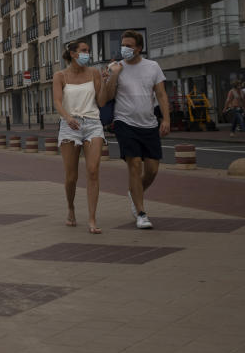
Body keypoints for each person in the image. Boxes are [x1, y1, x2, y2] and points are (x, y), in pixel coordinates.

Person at [100, 29, 170, 230]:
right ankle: (141, 213)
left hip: (149, 123)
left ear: (139, 48)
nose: (125, 49)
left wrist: (166, 119)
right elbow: (108, 97)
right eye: (123, 45)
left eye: (129, 46)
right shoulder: (116, 67)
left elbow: (161, 94)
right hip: (125, 122)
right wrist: (113, 75)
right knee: (135, 165)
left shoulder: (153, 67)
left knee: (152, 170)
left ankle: (134, 192)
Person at [53, 40, 105, 234]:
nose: (87, 54)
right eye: (84, 51)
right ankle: (71, 207)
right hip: (69, 125)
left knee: (93, 170)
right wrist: (67, 118)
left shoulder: (94, 73)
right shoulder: (60, 76)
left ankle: (92, 218)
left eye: (88, 51)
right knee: (71, 177)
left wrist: (107, 82)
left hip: (93, 124)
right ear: (73, 53)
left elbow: (101, 101)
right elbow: (58, 102)